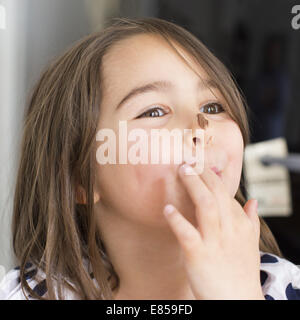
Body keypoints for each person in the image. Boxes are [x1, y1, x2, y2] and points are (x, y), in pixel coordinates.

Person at [0, 17, 300, 300]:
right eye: (154, 111)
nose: (200, 127)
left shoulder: (287, 285)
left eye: (213, 106)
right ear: (80, 177)